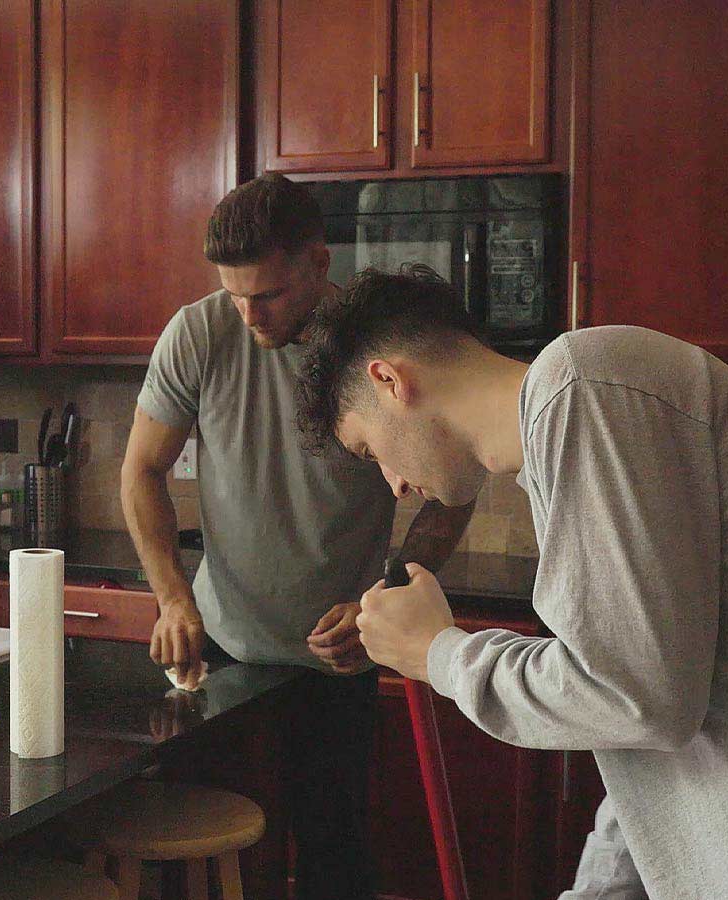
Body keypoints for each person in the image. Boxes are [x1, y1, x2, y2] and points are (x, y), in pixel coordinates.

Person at [297, 265, 728, 899]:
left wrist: (438, 653)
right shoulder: (566, 434)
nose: (393, 484)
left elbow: (636, 698)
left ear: (390, 381)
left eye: (370, 451)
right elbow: (644, 737)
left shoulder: (584, 384)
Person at [120, 174, 475, 900]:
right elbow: (141, 470)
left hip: (338, 655)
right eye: (234, 294)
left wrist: (391, 592)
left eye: (268, 295)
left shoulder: (376, 347)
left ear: (318, 264)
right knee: (201, 857)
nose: (248, 314)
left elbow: (453, 492)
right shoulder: (199, 332)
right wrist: (173, 599)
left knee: (334, 856)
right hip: (223, 648)